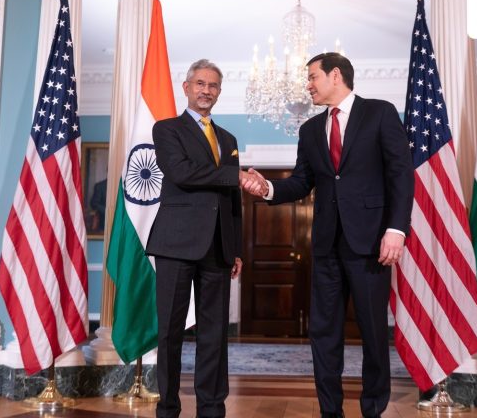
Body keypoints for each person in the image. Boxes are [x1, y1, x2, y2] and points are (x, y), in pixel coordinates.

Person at [244, 52, 414, 418]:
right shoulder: (310, 130)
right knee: (323, 334)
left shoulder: (379, 113)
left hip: (371, 244)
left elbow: (401, 174)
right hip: (325, 247)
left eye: (312, 77)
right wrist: (267, 189)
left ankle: (373, 410)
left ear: (335, 75)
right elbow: (301, 182)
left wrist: (396, 229)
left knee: (373, 332)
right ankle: (330, 412)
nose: (307, 85)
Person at [145, 58, 263, 418]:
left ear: (219, 92)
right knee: (170, 332)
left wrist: (235, 248)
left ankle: (212, 409)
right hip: (175, 245)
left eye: (212, 86)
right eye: (200, 84)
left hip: (218, 248)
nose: (206, 91)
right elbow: (181, 172)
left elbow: (232, 200)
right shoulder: (167, 130)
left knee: (215, 334)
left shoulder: (228, 139)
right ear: (187, 87)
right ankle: (168, 408)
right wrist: (234, 175)